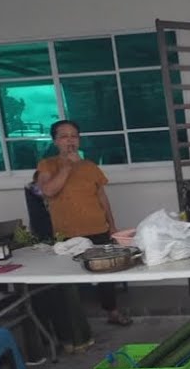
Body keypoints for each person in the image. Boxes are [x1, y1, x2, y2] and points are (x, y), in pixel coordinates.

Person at [36, 120, 131, 328]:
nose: (70, 140)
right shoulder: (47, 165)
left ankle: (112, 311)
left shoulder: (90, 166)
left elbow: (102, 197)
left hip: (97, 228)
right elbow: (48, 191)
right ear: (55, 141)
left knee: (106, 275)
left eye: (74, 136)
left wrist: (112, 225)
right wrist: (67, 166)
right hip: (67, 233)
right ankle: (74, 324)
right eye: (64, 136)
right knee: (68, 279)